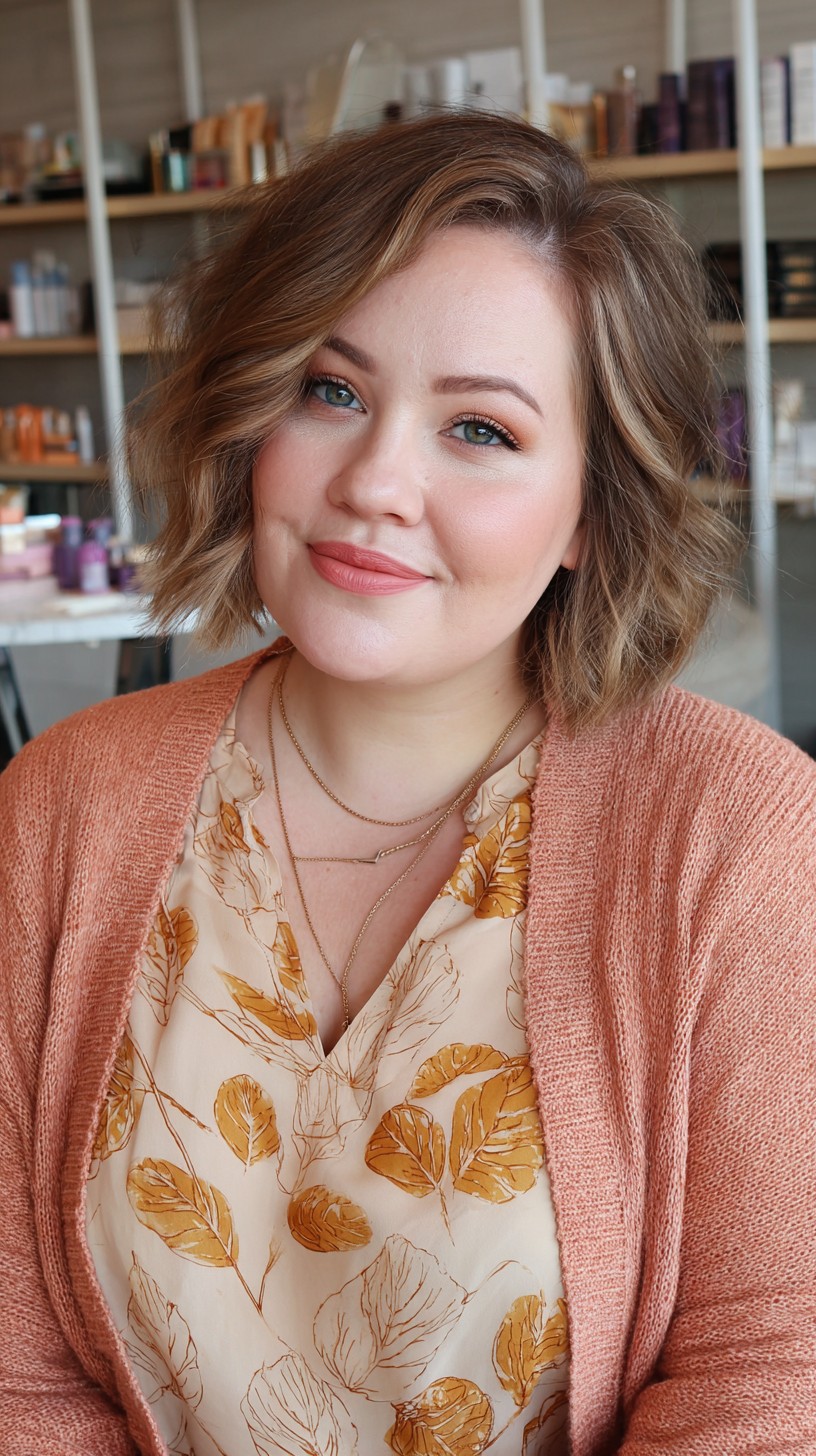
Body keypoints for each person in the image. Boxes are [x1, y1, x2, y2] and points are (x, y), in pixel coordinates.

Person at [0, 112, 814, 1456]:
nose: (376, 482)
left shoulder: (737, 835)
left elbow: (772, 1381)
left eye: (481, 430)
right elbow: (22, 1381)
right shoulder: (60, 808)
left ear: (593, 513)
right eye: (332, 391)